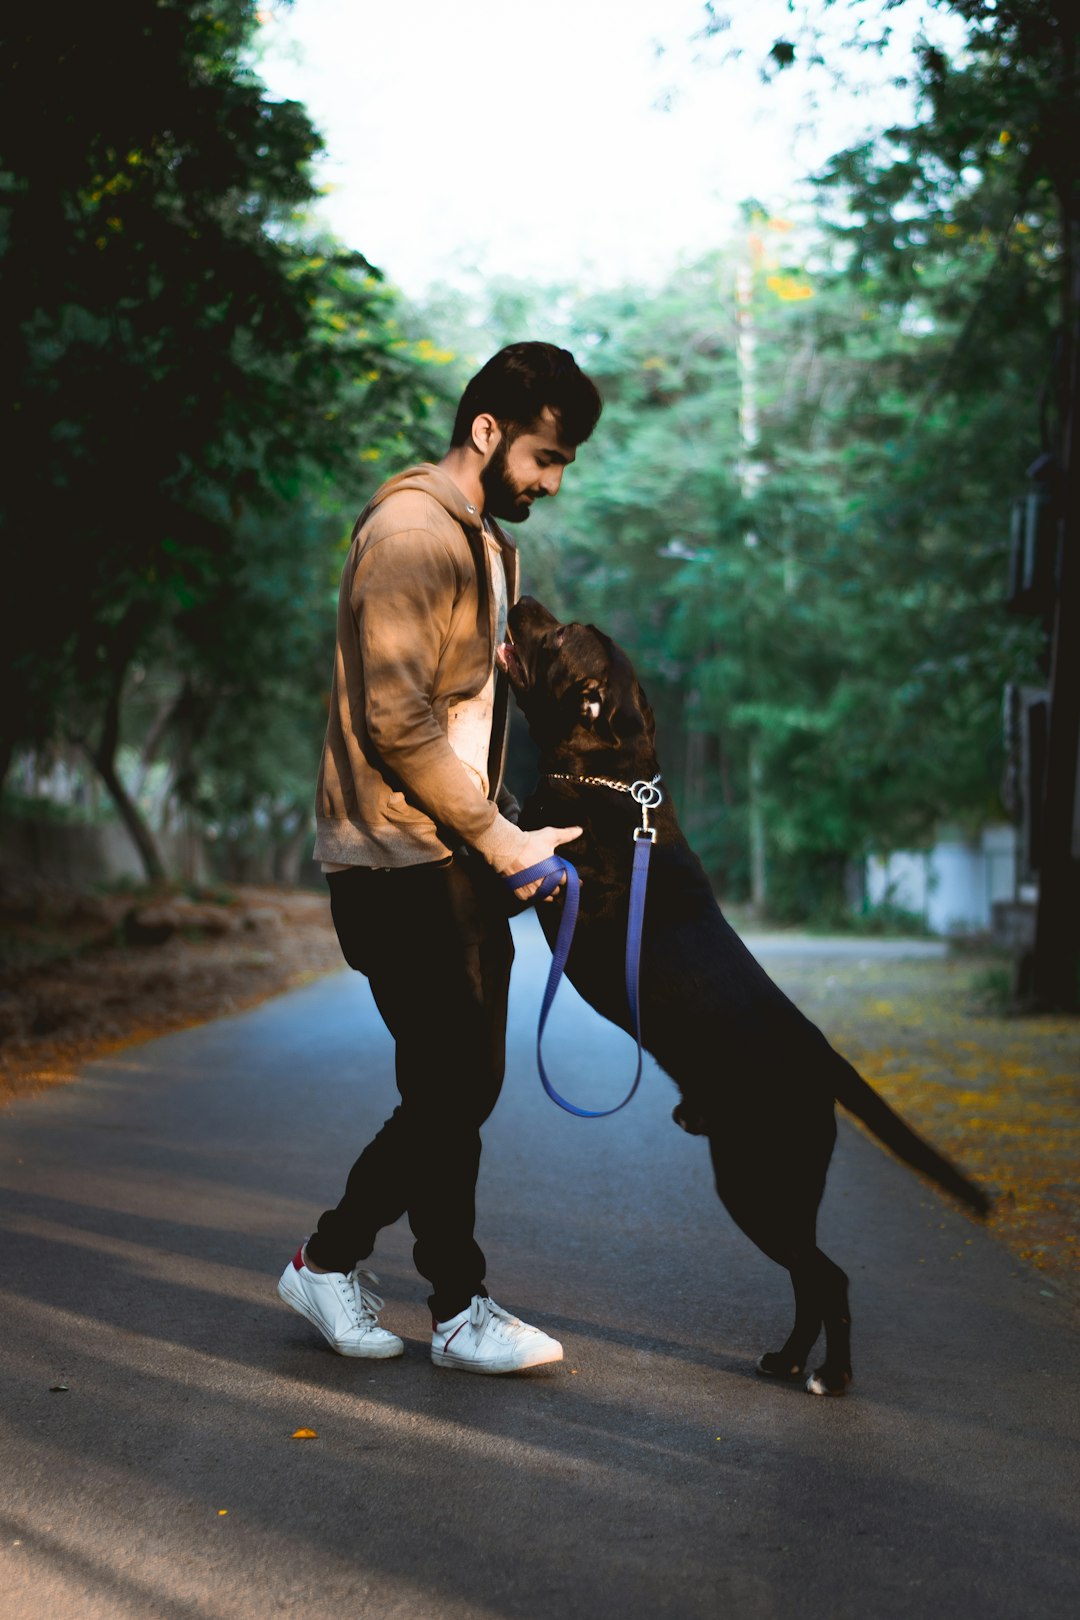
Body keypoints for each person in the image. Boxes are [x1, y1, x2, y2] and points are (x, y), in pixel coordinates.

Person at [278, 342, 602, 1374]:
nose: (551, 484)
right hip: (394, 863)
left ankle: (353, 1269)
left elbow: (462, 720)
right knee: (453, 1087)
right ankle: (429, 1296)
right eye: (545, 459)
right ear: (488, 431)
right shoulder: (416, 534)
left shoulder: (485, 547)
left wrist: (513, 821)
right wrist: (504, 839)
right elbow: (398, 722)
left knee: (456, 1086)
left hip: (448, 852)